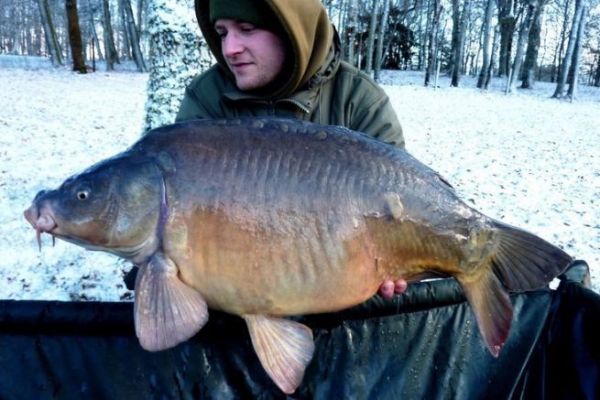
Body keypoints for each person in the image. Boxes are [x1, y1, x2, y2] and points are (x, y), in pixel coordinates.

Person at [176, 0, 408, 299]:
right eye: (222, 32)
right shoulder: (206, 98)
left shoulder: (360, 99)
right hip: (230, 294)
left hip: (341, 290)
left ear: (291, 30)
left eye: (246, 29)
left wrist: (395, 254)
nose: (230, 48)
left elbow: (399, 202)